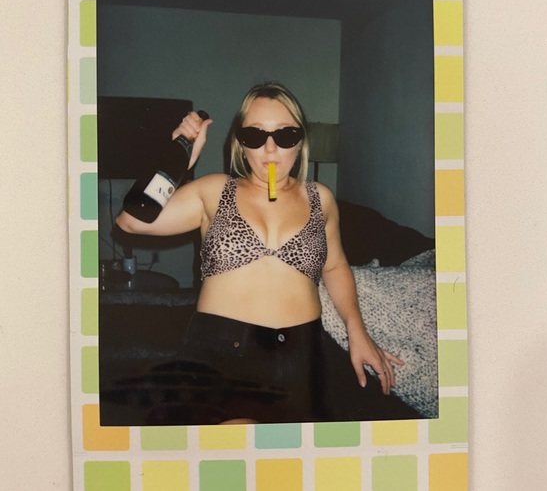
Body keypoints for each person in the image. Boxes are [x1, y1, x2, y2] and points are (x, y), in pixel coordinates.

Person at [116, 82, 420, 424]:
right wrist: (179, 155)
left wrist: (357, 332)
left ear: (300, 141)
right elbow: (131, 221)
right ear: (240, 142)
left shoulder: (321, 199)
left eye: (285, 135)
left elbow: (335, 267)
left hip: (305, 357)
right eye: (255, 135)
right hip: (225, 355)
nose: (270, 148)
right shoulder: (214, 190)